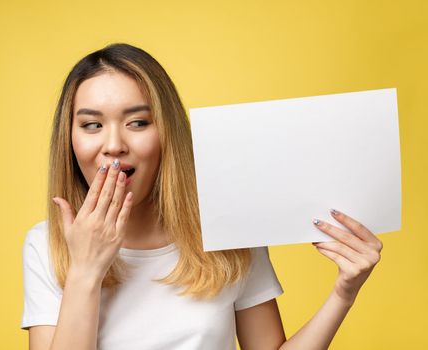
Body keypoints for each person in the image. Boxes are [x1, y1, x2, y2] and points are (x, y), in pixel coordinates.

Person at [21, 43, 383, 350]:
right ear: (70, 141)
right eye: (92, 125)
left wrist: (343, 293)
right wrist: (85, 271)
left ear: (168, 135)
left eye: (138, 122)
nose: (114, 145)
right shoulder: (45, 245)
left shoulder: (228, 229)